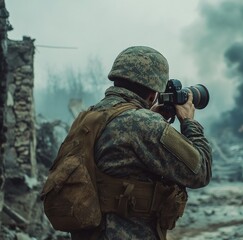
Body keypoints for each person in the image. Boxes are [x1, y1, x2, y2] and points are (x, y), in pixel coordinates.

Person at [71, 46, 212, 240]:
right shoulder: (144, 125)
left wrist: (149, 117)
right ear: (154, 93)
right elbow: (201, 171)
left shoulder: (90, 116)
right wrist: (189, 121)